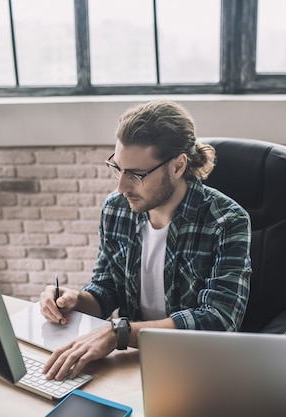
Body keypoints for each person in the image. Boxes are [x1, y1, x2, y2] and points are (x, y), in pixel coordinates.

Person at [39, 100, 251, 380]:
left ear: (178, 166)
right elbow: (105, 290)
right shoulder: (116, 209)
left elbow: (219, 321)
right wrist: (75, 300)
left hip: (197, 365)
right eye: (118, 168)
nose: (121, 186)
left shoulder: (227, 221)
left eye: (137, 175)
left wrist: (120, 333)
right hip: (133, 359)